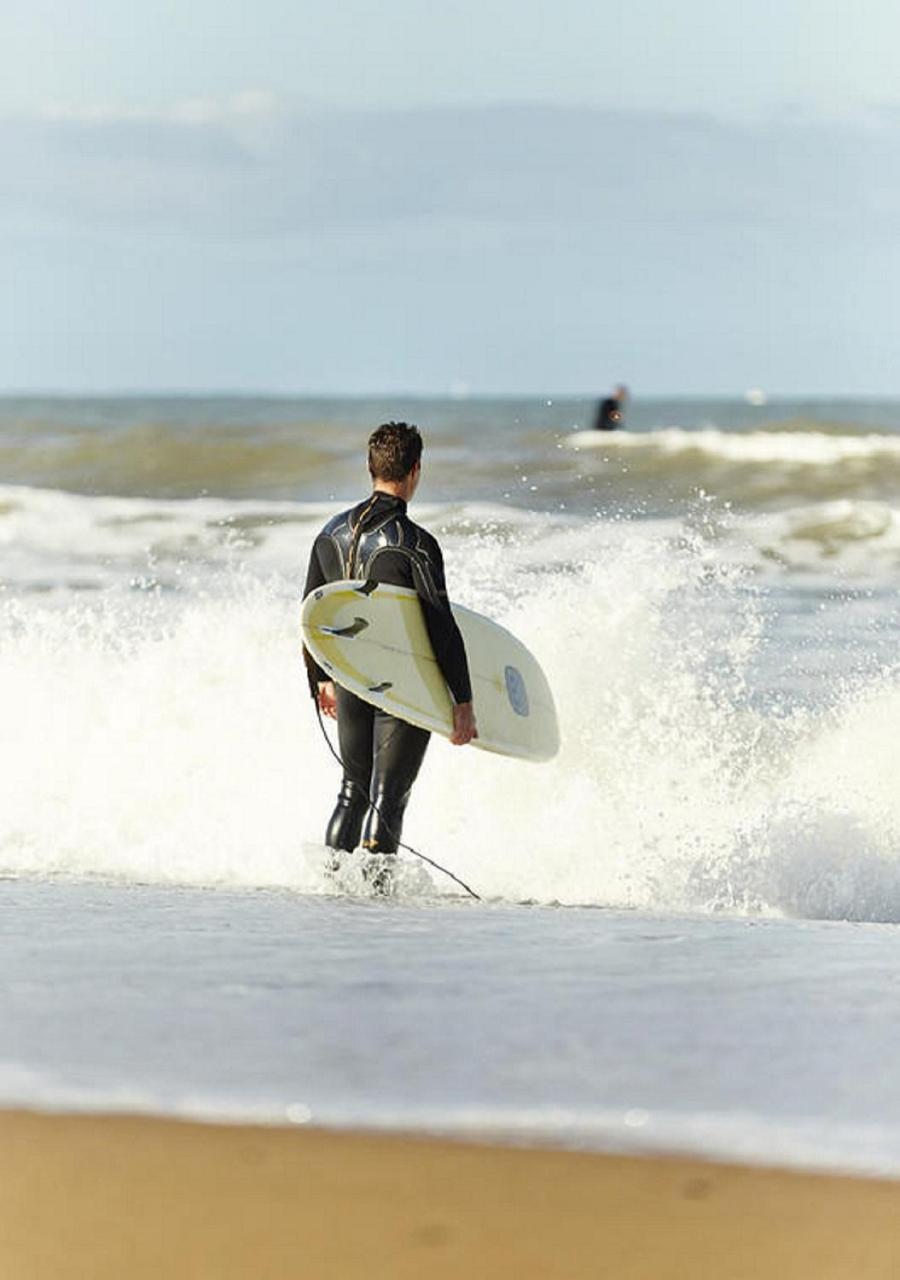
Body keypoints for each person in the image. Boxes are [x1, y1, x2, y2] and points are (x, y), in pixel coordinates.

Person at [302, 421, 477, 888]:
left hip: (351, 677)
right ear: (416, 470)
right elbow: (440, 627)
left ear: (370, 467)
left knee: (351, 792)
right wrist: (462, 700)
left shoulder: (329, 534)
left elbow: (311, 612)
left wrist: (321, 678)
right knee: (388, 795)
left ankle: (334, 888)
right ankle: (376, 899)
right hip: (402, 684)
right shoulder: (416, 544)